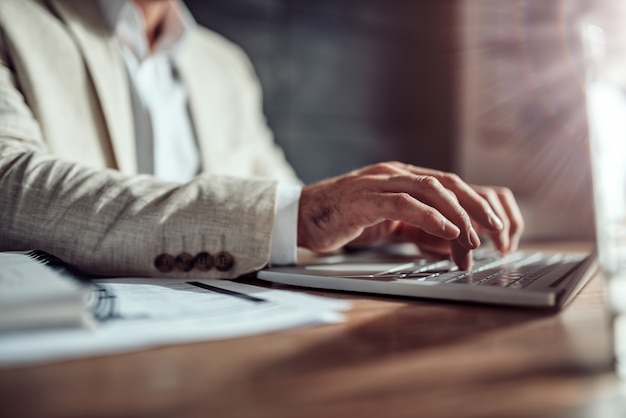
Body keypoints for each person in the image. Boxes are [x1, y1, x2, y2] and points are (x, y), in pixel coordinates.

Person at [0, 0, 524, 278]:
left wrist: (374, 223)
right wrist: (302, 214)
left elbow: (279, 198)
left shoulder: (223, 64)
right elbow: (11, 190)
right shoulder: (14, 20)